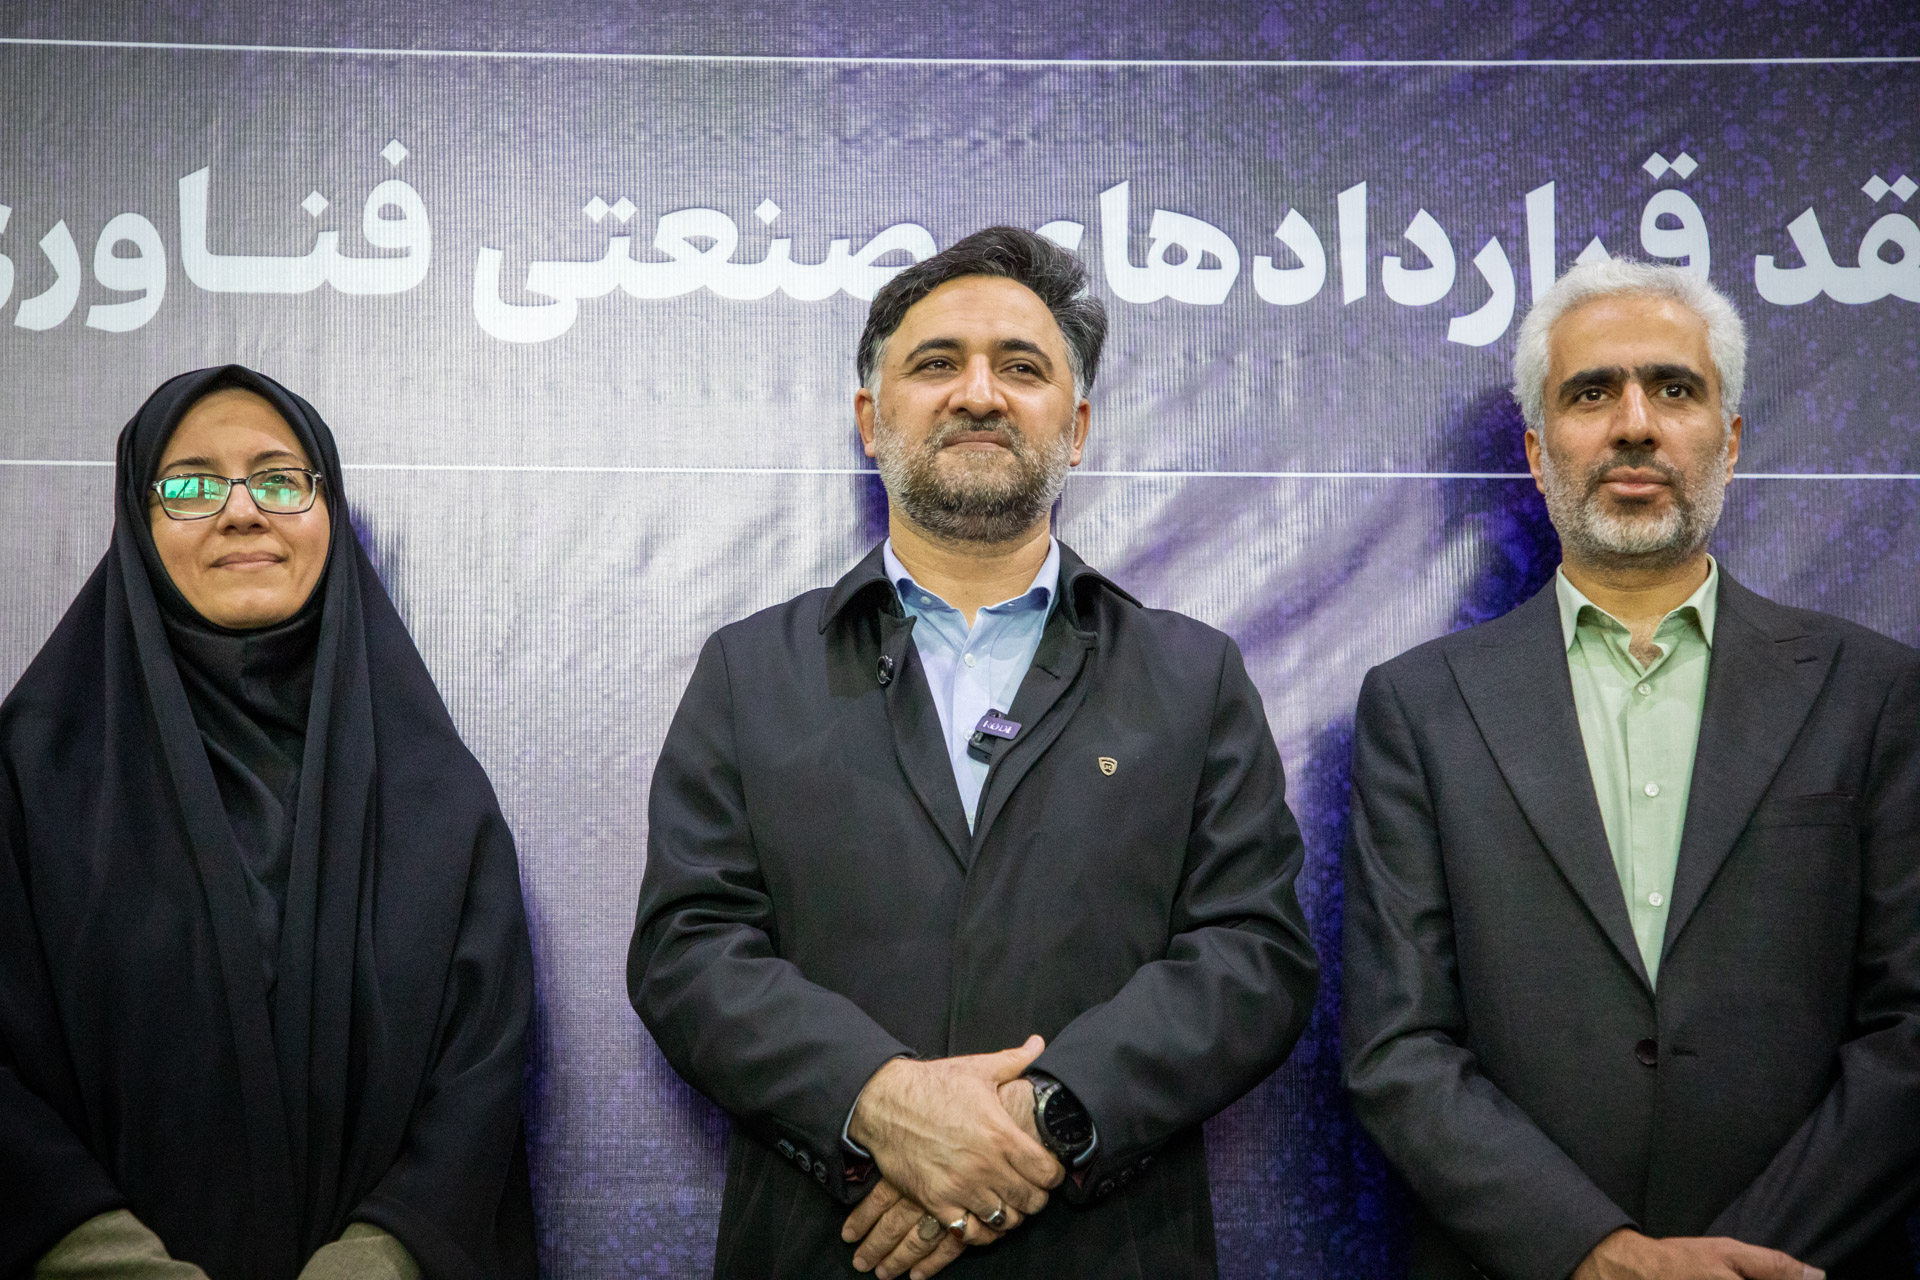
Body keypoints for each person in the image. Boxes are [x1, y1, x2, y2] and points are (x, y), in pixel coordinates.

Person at [629, 226, 1319, 1279]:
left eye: (1022, 367)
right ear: (872, 419)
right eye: (937, 363)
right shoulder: (751, 671)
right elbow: (688, 949)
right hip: (830, 1248)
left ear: (1076, 427)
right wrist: (881, 1101)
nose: (980, 393)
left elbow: (1253, 956)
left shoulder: (1192, 676)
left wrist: (1045, 1120)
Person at [1341, 260, 1920, 1280]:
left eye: (1675, 388)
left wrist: (1735, 1266)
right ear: (1536, 452)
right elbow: (1400, 1046)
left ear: (1729, 441)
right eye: (1592, 392)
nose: (1636, 424)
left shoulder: (1873, 694)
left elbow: (1907, 1030)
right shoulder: (1422, 707)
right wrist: (1597, 1253)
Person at [0, 367, 537, 1279]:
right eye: (191, 484)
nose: (243, 512)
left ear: (327, 510)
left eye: (281, 479)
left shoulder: (436, 797)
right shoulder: (31, 778)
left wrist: (377, 1260)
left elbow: (480, 1070)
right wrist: (106, 1259)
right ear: (137, 518)